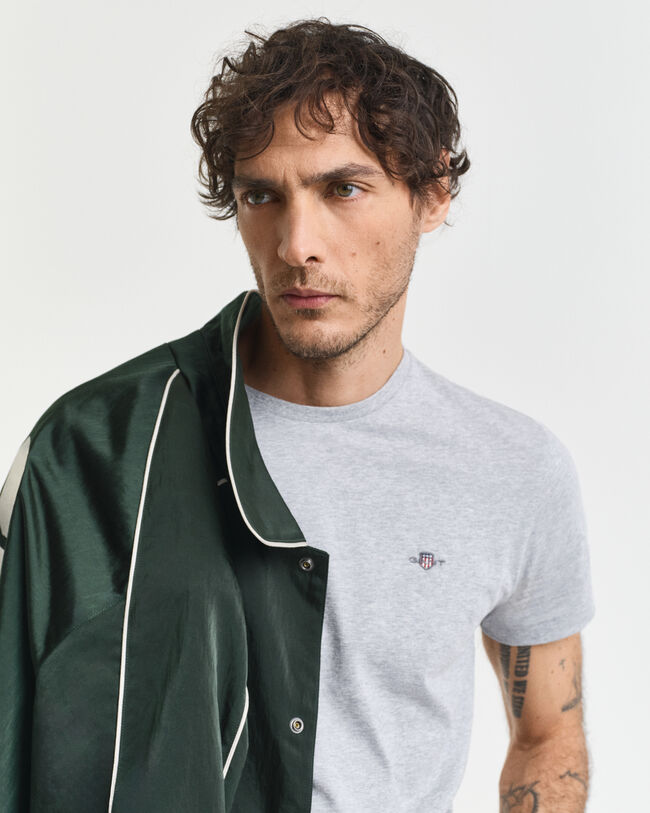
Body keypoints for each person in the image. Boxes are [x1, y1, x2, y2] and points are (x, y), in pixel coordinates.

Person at [0, 17, 595, 813]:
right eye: (262, 195)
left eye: (342, 188)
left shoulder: (512, 468)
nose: (296, 244)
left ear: (433, 194)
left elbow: (547, 734)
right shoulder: (98, 447)